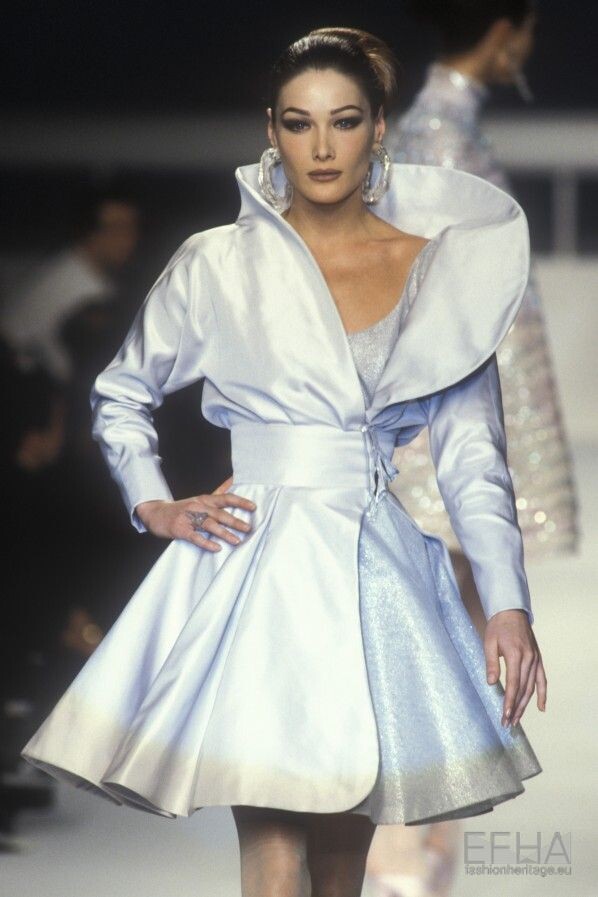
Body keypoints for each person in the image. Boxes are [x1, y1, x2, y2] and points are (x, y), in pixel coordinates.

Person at [21, 28, 547, 897]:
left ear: (379, 128)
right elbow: (120, 391)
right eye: (299, 123)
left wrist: (508, 603)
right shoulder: (219, 263)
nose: (322, 145)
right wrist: (154, 502)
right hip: (256, 563)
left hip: (372, 574)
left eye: (344, 120)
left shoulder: (437, 275)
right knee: (270, 861)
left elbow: (472, 459)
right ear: (272, 131)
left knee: (340, 869)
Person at [365, 3, 577, 894]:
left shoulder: (438, 130)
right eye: (526, 28)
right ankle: (401, 849)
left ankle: (415, 844)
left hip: (450, 417)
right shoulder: (439, 140)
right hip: (436, 429)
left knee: (446, 630)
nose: (528, 46)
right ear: (504, 30)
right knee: (432, 632)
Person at [0, 187, 140, 382]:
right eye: (117, 229)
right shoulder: (68, 279)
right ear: (90, 233)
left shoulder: (98, 277)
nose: (127, 239)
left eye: (132, 228)